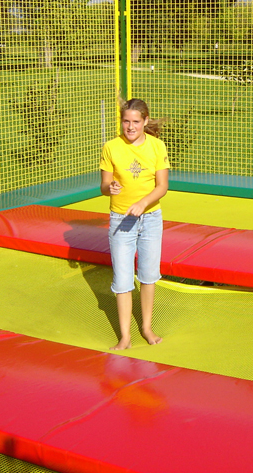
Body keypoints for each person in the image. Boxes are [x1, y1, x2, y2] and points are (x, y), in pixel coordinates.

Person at [100, 98, 169, 350]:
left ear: (145, 121)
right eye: (126, 121)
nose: (130, 127)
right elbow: (104, 186)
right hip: (121, 220)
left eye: (136, 122)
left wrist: (143, 203)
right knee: (122, 279)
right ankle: (125, 336)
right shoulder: (111, 147)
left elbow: (162, 186)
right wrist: (110, 187)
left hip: (150, 219)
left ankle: (146, 327)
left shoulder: (157, 146)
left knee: (148, 275)